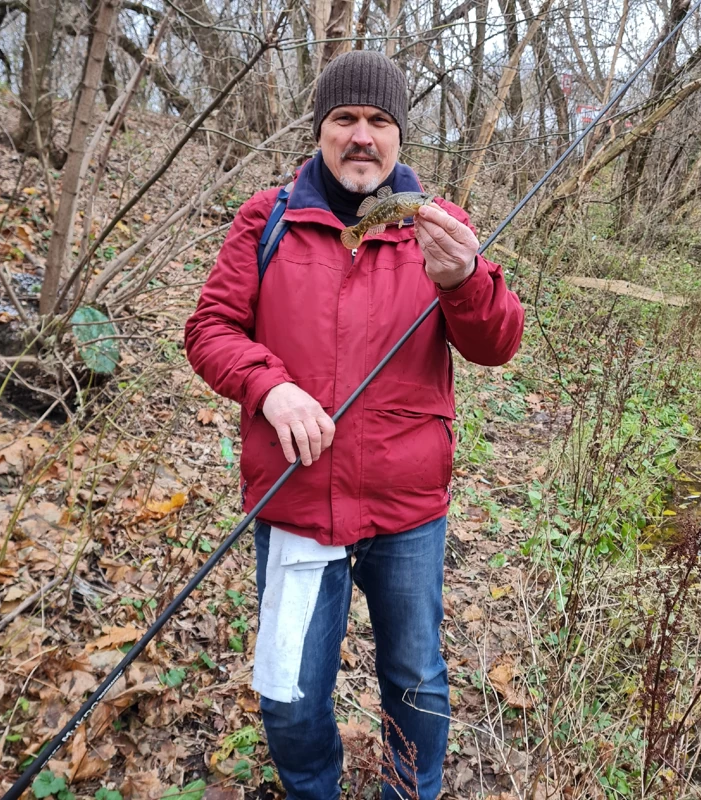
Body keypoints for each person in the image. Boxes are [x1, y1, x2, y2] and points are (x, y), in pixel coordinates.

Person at [185, 50, 524, 800]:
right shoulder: (266, 219)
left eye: (379, 121)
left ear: (400, 137)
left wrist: (465, 281)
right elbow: (210, 329)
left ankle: (411, 793)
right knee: (290, 692)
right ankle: (315, 790)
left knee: (417, 681)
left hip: (407, 510)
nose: (362, 136)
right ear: (321, 132)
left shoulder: (441, 227)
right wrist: (270, 389)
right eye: (345, 119)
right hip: (299, 499)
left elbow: (497, 344)